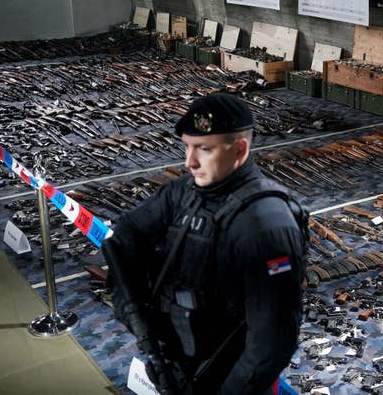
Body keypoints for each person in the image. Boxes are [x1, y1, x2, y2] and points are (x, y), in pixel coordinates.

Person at [102, 93, 309, 395]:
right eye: (187, 147)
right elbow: (128, 234)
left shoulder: (265, 225)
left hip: (228, 375)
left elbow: (271, 343)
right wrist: (132, 311)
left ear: (240, 150)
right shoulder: (186, 192)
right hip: (177, 361)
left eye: (204, 149)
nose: (189, 162)